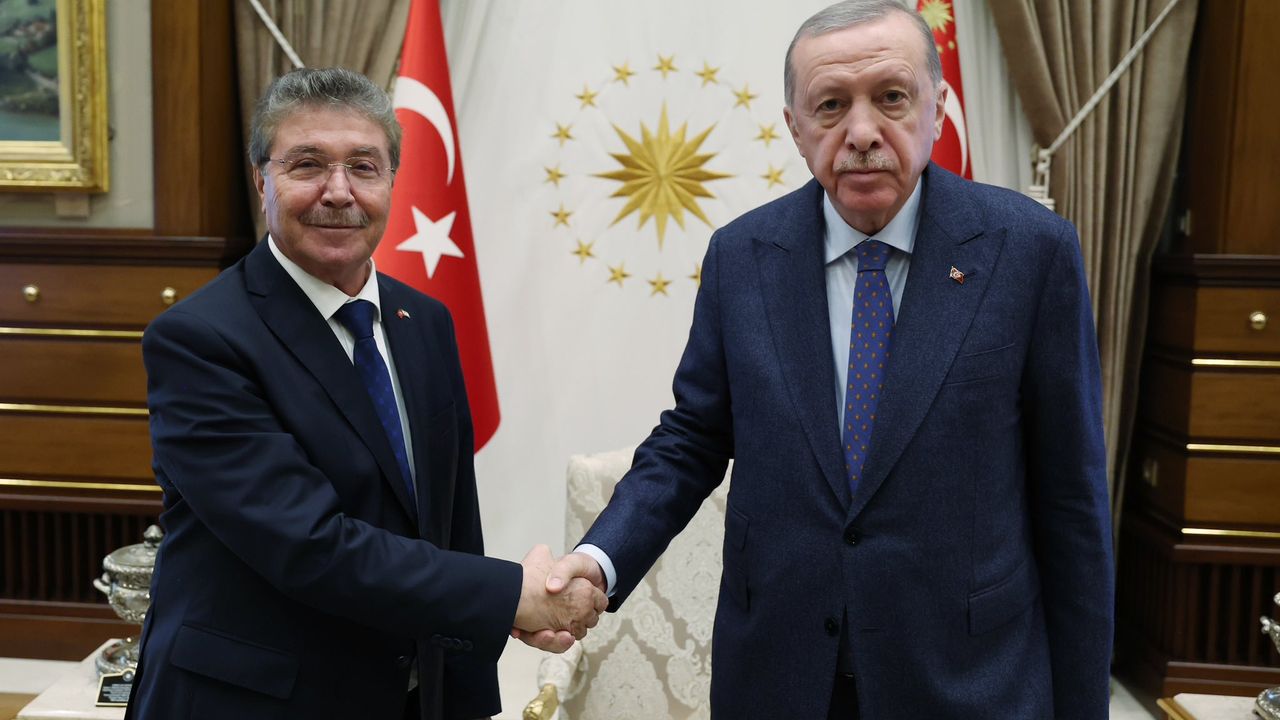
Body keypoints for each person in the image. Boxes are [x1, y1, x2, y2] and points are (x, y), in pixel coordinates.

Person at [533, 1, 1114, 717]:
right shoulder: (742, 257)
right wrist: (598, 562)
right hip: (781, 676)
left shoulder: (1030, 252)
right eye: (831, 105)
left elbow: (1071, 501)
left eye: (891, 97)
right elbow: (692, 440)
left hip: (967, 680)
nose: (862, 133)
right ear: (795, 128)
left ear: (937, 109)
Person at [125, 67, 605, 720]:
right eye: (307, 165)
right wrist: (506, 596)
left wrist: (475, 674)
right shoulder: (199, 340)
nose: (338, 191)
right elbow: (306, 543)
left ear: (391, 181)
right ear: (262, 180)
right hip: (253, 702)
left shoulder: (424, 321)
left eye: (364, 167)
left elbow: (449, 526)